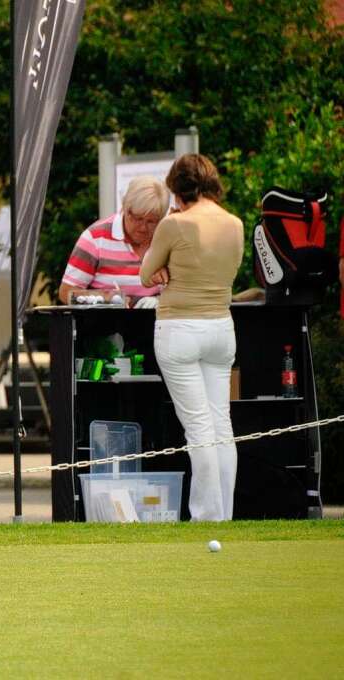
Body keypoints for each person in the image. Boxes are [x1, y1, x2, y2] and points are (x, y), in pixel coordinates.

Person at [140, 154, 244, 521]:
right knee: (221, 425)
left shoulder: (174, 224)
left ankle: (206, 516)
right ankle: (223, 514)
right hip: (221, 328)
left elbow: (145, 272)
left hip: (180, 329)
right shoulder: (235, 223)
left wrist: (165, 262)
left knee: (198, 427)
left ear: (178, 189)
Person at [58, 176, 170, 308]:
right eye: (138, 219)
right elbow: (66, 293)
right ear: (126, 209)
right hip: (107, 325)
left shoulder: (166, 238)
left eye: (151, 221)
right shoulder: (95, 238)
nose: (143, 228)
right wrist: (108, 300)